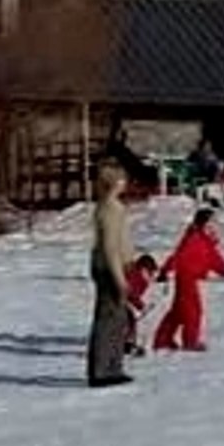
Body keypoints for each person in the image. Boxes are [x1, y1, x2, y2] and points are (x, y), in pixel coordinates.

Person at [153, 208, 224, 352]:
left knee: (178, 311)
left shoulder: (205, 240)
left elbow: (215, 260)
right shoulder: (193, 238)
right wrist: (165, 271)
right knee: (193, 311)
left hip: (190, 278)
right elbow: (178, 256)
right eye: (211, 223)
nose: (214, 226)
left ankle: (162, 340)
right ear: (203, 223)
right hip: (186, 278)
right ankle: (190, 341)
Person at [87, 161, 135, 388]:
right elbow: (110, 247)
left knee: (119, 319)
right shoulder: (109, 210)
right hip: (109, 269)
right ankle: (102, 370)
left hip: (115, 267)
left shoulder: (112, 207)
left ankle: (113, 366)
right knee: (108, 319)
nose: (125, 183)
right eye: (122, 179)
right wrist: (120, 279)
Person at [124, 253, 159, 357]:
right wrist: (140, 305)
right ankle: (126, 343)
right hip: (116, 298)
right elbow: (130, 292)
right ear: (144, 268)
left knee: (130, 320)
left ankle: (128, 343)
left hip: (122, 299)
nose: (152, 274)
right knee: (127, 319)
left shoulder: (141, 276)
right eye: (150, 270)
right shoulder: (136, 276)